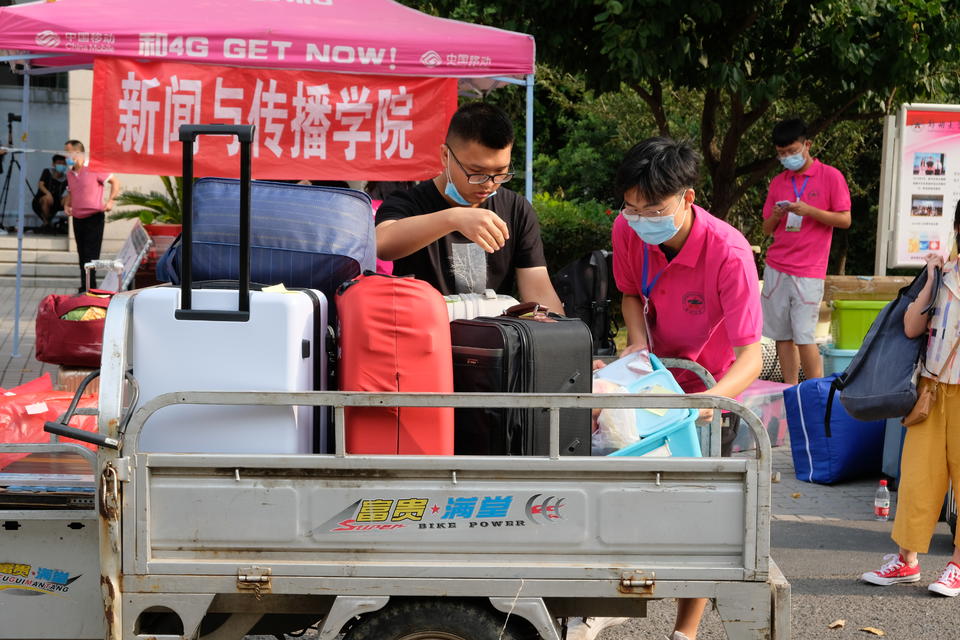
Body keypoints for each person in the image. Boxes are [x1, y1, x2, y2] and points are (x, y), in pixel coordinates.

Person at [574, 137, 763, 640]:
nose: (639, 219)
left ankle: (686, 630)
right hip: (649, 383)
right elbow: (630, 293)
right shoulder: (627, 229)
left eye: (653, 209)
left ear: (688, 198)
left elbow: (752, 352)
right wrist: (636, 343)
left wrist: (712, 399)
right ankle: (606, 601)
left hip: (706, 392)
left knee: (701, 516)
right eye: (631, 207)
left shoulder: (729, 252)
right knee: (622, 496)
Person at [375, 102, 563, 311]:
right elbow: (382, 244)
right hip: (425, 336)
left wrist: (564, 334)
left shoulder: (516, 209)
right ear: (445, 156)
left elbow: (538, 288)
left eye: (501, 172)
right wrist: (453, 218)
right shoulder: (409, 203)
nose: (489, 183)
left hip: (496, 338)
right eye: (476, 172)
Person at [860, 204, 960, 597]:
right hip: (932, 391)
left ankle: (956, 565)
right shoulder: (943, 274)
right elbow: (912, 325)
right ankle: (907, 559)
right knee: (919, 477)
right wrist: (932, 276)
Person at [761, 118, 851, 385]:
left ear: (807, 144)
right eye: (781, 154)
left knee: (804, 336)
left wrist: (810, 211)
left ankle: (815, 392)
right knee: (782, 335)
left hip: (809, 270)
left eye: (792, 151)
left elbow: (845, 220)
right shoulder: (779, 181)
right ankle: (789, 391)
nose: (787, 157)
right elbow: (766, 229)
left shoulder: (830, 176)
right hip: (777, 266)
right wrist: (777, 215)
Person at [62, 140, 120, 292]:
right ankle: (85, 286)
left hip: (94, 217)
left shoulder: (94, 168)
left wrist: (110, 201)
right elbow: (71, 191)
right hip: (77, 218)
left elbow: (115, 182)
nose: (65, 155)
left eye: (67, 152)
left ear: (77, 153)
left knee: (91, 254)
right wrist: (67, 205)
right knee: (82, 254)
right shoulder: (70, 172)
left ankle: (91, 287)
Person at [31, 154, 68, 232]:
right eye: (59, 163)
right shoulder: (47, 172)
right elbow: (40, 185)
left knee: (70, 199)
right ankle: (47, 223)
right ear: (53, 164)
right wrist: (48, 193)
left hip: (56, 201)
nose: (62, 165)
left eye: (64, 163)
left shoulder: (66, 177)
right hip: (41, 200)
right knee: (47, 199)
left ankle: (67, 224)